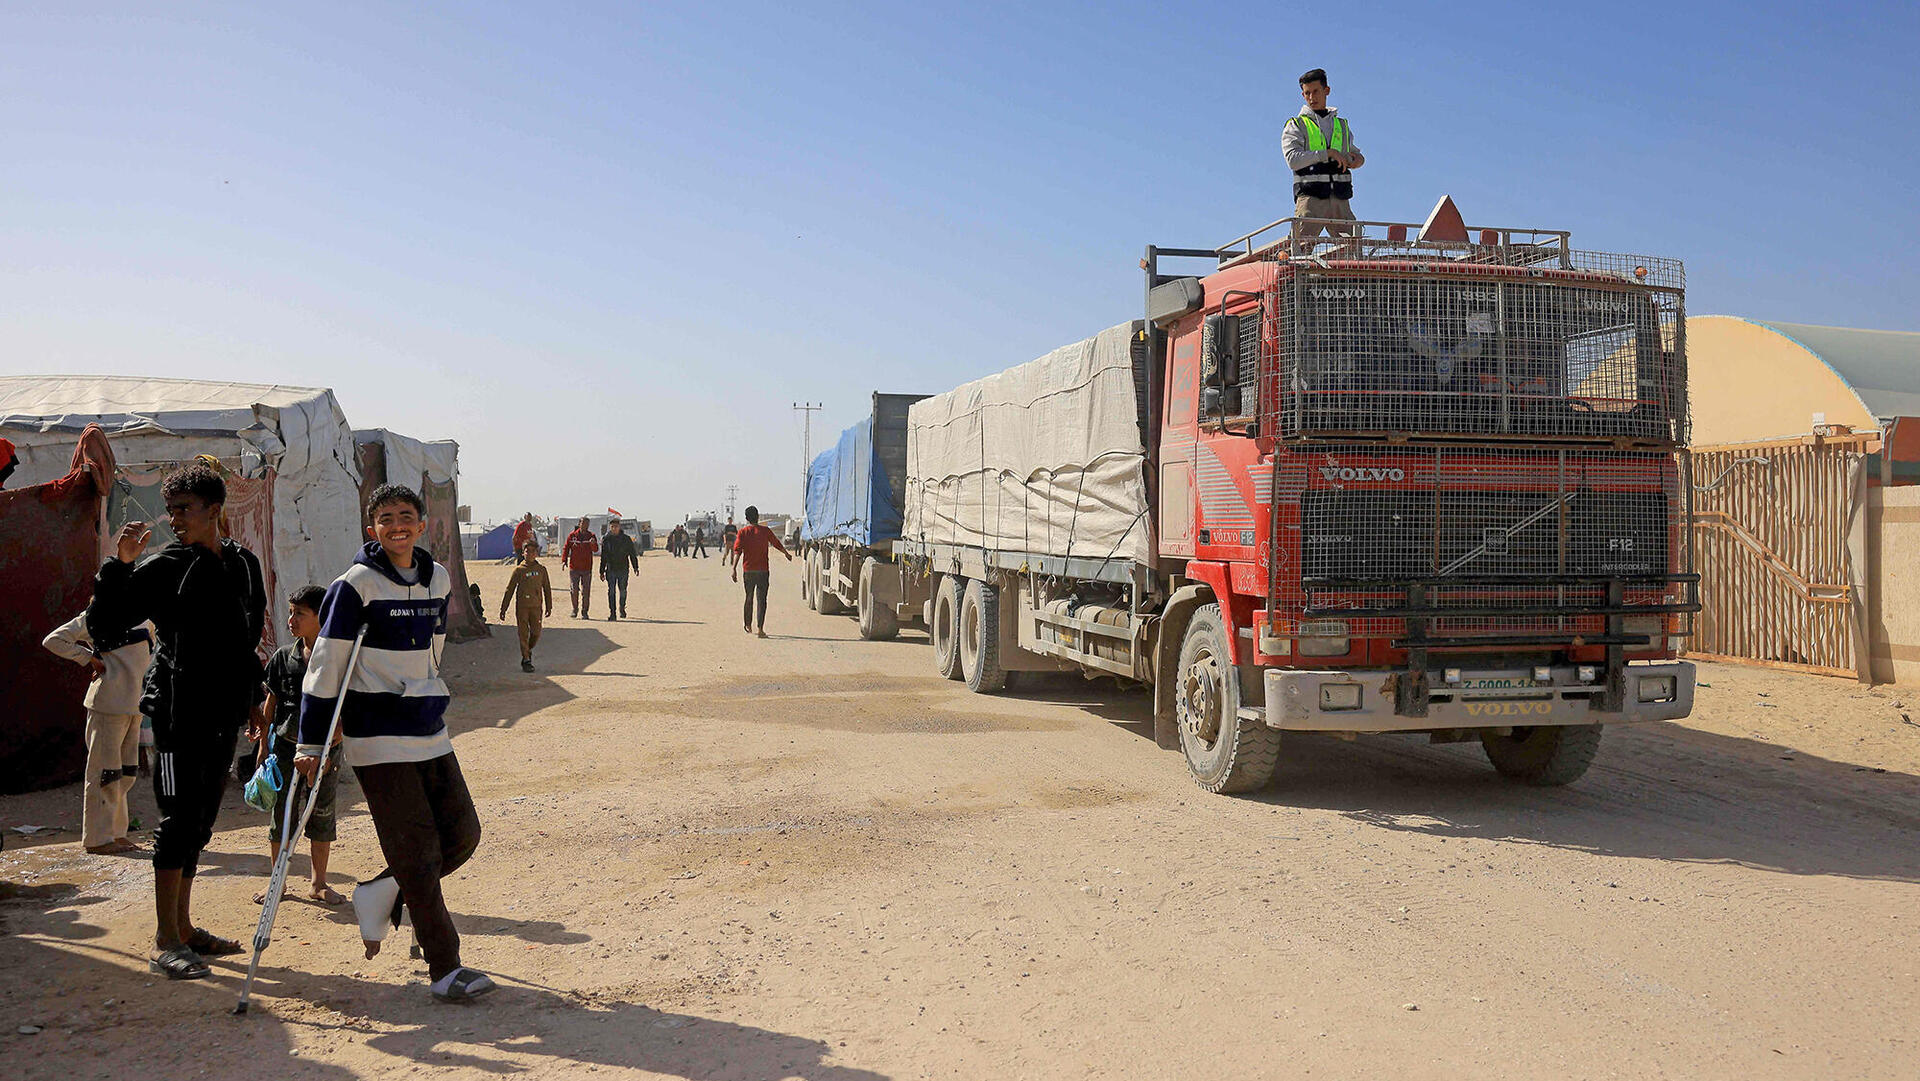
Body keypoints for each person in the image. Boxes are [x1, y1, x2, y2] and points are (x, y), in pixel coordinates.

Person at [296, 483, 493, 1003]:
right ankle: (445, 968)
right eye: (385, 519)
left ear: (422, 523)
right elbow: (326, 666)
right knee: (417, 849)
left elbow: (434, 650)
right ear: (372, 529)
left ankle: (381, 889)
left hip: (427, 726)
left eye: (406, 515)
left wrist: (426, 696)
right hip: (377, 734)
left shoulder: (439, 578)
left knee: (462, 834)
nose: (397, 526)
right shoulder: (354, 585)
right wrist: (311, 744)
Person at [87, 464, 267, 981]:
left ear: (215, 510)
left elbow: (245, 640)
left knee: (203, 822)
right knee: (178, 819)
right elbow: (104, 623)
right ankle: (165, 938)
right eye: (172, 510)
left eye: (184, 509)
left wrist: (254, 701)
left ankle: (186, 930)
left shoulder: (244, 566)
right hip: (177, 714)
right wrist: (118, 566)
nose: (175, 519)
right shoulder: (167, 567)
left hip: (221, 714)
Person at [249, 586, 344, 906]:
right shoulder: (282, 658)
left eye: (300, 613)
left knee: (322, 814)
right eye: (291, 612)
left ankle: (318, 883)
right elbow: (271, 704)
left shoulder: (336, 657)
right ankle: (278, 883)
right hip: (286, 748)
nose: (291, 619)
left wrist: (331, 747)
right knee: (282, 815)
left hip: (325, 750)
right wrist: (264, 745)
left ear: (321, 617)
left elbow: (348, 707)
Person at [42, 607, 153, 855]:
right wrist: (89, 657)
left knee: (125, 773)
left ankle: (116, 832)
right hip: (107, 704)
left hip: (135, 704)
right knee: (105, 772)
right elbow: (54, 640)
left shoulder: (146, 616)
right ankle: (97, 838)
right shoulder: (96, 615)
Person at [1282, 68, 1365, 244]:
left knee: (1352, 251)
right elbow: (1293, 159)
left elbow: (1353, 152)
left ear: (1326, 90)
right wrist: (1327, 154)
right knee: (1300, 251)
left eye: (1316, 91)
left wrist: (1358, 160)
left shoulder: (1341, 125)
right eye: (1307, 93)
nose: (1311, 97)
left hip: (1340, 199)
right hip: (1311, 198)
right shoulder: (1296, 124)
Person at [731, 505, 792, 638]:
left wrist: (734, 568)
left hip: (748, 571)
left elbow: (737, 551)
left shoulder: (743, 532)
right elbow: (776, 543)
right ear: (757, 517)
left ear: (747, 518)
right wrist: (786, 553)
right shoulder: (765, 531)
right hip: (763, 570)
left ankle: (748, 625)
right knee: (762, 599)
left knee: (749, 598)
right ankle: (760, 629)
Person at [500, 539, 553, 671]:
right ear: (523, 553)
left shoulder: (541, 570)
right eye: (527, 551)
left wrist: (549, 605)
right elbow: (510, 589)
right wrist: (503, 609)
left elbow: (547, 588)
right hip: (522, 607)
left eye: (532, 551)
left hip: (536, 607)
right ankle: (526, 659)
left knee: (536, 633)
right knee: (523, 633)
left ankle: (528, 650)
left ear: (536, 553)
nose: (529, 554)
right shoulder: (519, 570)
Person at [600, 518, 639, 621]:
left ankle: (622, 607)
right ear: (610, 527)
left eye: (616, 527)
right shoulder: (606, 539)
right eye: (612, 527)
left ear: (619, 527)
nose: (614, 529)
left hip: (623, 569)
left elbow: (632, 554)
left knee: (623, 591)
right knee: (611, 592)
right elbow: (603, 556)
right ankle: (612, 613)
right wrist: (601, 571)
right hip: (611, 569)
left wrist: (635, 567)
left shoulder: (626, 539)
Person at [561, 516, 598, 617]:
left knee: (586, 591)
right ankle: (574, 609)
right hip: (574, 568)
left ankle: (584, 611)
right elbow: (566, 548)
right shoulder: (572, 536)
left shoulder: (591, 536)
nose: (585, 525)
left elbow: (595, 549)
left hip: (586, 568)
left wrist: (593, 544)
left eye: (587, 523)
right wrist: (564, 560)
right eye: (583, 523)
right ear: (579, 523)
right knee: (574, 589)